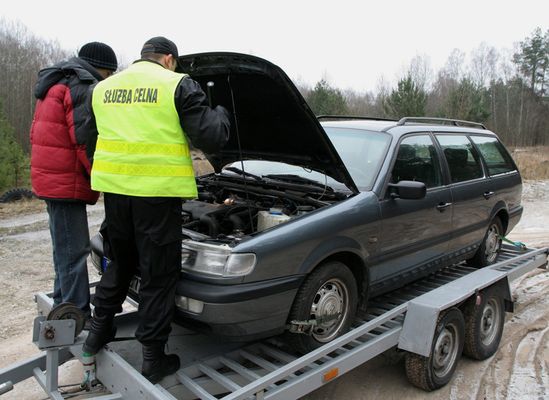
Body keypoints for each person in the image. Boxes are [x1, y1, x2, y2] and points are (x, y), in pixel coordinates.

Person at [82, 36, 230, 383]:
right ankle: (153, 358)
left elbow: (87, 136)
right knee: (158, 275)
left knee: (120, 262)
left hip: (117, 194)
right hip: (157, 196)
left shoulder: (105, 87)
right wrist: (221, 113)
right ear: (168, 59)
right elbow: (212, 137)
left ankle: (96, 332)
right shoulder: (176, 84)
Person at [30, 42, 118, 318]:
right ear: (103, 69)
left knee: (64, 248)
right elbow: (85, 142)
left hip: (51, 177)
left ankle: (63, 299)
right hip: (65, 180)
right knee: (75, 251)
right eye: (109, 74)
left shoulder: (57, 81)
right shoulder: (81, 85)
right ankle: (76, 312)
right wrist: (103, 178)